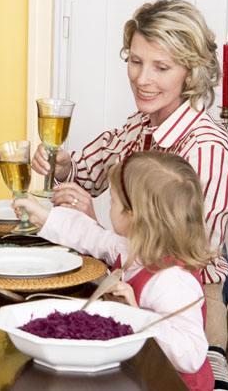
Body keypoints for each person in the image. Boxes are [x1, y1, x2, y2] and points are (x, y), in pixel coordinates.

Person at [32, 0, 228, 349]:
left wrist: (93, 230)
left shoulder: (207, 152)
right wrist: (65, 167)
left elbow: (183, 257)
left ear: (191, 73)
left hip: (187, 313)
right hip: (131, 285)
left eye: (161, 67)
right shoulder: (142, 124)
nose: (142, 79)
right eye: (135, 61)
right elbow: (88, 175)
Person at [15, 152, 215, 391]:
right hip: (140, 373)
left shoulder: (173, 280)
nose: (110, 207)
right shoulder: (135, 247)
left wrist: (137, 315)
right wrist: (44, 217)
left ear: (133, 216)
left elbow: (191, 355)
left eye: (113, 202)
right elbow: (94, 237)